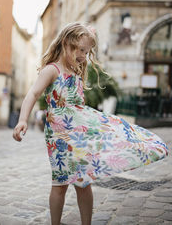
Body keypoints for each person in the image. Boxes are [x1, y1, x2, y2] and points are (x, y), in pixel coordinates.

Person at [13, 22, 168, 225]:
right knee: (60, 184)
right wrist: (23, 119)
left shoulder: (77, 73)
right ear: (67, 43)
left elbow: (79, 107)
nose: (84, 56)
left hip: (80, 135)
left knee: (83, 182)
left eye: (87, 52)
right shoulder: (52, 70)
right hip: (59, 138)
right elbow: (33, 93)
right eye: (81, 50)